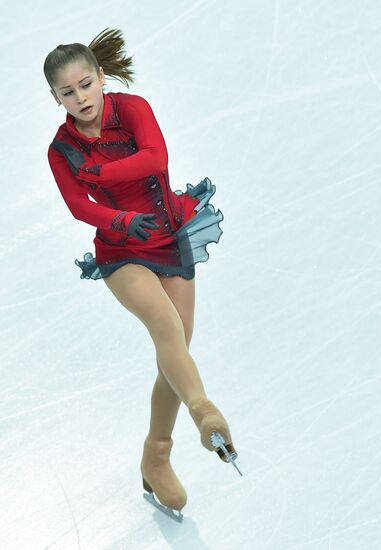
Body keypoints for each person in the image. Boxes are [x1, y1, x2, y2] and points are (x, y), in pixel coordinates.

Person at [44, 27, 242, 522]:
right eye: (68, 92)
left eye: (86, 84)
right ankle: (203, 411)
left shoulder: (131, 110)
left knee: (175, 350)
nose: (81, 98)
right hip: (121, 248)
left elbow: (156, 158)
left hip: (170, 232)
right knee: (166, 329)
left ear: (101, 78)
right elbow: (75, 206)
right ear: (55, 97)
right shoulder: (60, 149)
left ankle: (156, 454)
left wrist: (100, 175)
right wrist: (120, 220)